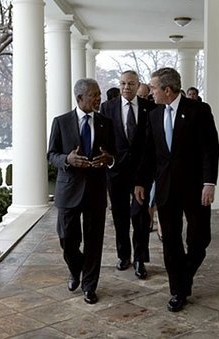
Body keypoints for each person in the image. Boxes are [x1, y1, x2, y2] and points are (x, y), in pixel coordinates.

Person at [135, 67, 219, 312]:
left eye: (153, 88)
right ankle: (178, 291)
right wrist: (141, 181)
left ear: (167, 90)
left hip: (195, 189)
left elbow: (209, 150)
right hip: (166, 189)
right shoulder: (153, 115)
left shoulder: (199, 111)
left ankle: (184, 277)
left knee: (200, 239)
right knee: (170, 241)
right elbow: (149, 153)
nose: (151, 93)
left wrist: (209, 183)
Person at [47, 78, 116, 305]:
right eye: (94, 95)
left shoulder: (106, 122)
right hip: (68, 191)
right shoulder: (61, 122)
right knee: (67, 239)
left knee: (94, 241)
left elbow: (113, 154)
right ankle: (75, 268)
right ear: (80, 98)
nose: (99, 98)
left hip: (96, 191)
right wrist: (68, 159)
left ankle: (89, 286)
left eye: (99, 94)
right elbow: (51, 155)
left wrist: (109, 159)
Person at [100, 70, 156, 279]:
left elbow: (150, 146)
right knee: (120, 216)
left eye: (131, 84)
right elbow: (104, 141)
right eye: (123, 83)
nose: (126, 87)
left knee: (140, 216)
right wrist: (109, 161)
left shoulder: (149, 108)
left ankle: (141, 259)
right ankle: (124, 256)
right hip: (116, 172)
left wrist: (143, 177)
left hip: (142, 173)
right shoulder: (107, 108)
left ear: (138, 85)